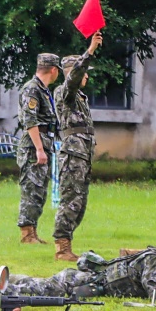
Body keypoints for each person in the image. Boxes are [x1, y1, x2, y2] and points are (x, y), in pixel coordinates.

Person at [9, 231, 156, 301]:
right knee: (29, 288)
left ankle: (3, 278)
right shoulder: (155, 261)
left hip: (95, 282)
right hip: (81, 282)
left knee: (30, 283)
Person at [52, 32, 103, 262]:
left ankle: (67, 244)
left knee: (80, 202)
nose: (86, 78)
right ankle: (62, 248)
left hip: (83, 154)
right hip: (73, 154)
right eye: (84, 74)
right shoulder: (66, 93)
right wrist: (90, 50)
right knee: (70, 200)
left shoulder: (80, 97)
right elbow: (73, 78)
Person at [16, 53, 61, 245]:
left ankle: (32, 232)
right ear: (53, 70)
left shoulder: (43, 90)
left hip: (43, 141)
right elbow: (30, 121)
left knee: (40, 190)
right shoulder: (32, 89)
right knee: (31, 189)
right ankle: (26, 235)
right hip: (33, 145)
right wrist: (39, 149)